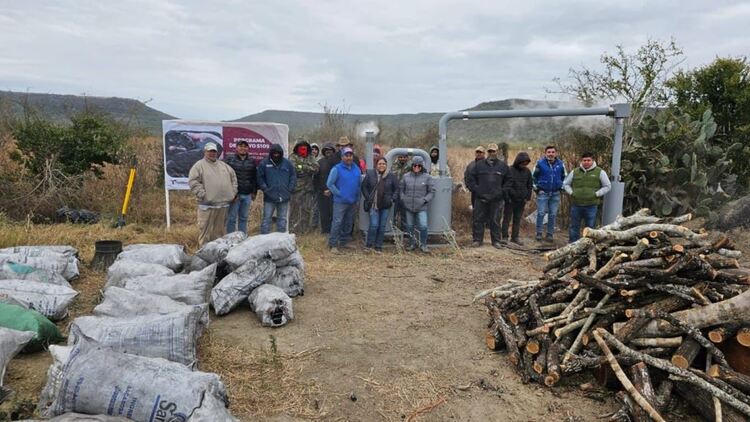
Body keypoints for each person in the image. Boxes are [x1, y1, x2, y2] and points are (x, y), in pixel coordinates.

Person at [188, 143, 237, 246]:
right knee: (205, 232)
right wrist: (203, 195)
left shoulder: (224, 166)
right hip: (206, 206)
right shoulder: (198, 165)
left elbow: (233, 179)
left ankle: (217, 253)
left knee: (219, 234)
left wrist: (232, 193)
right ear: (205, 152)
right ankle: (203, 255)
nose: (212, 153)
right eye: (210, 151)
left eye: (214, 151)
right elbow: (193, 181)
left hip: (222, 205)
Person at [466, 143, 509, 249]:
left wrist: (501, 192)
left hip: (496, 199)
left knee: (495, 220)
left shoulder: (503, 166)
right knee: (478, 219)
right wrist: (477, 190)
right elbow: (470, 179)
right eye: (489, 151)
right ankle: (477, 240)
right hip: (481, 197)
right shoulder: (479, 165)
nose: (491, 153)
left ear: (497, 152)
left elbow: (509, 181)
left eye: (493, 151)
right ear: (487, 152)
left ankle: (496, 241)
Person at [563, 152, 612, 243]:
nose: (586, 162)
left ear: (592, 160)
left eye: (588, 160)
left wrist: (596, 194)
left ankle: (588, 244)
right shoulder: (575, 171)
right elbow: (566, 184)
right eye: (584, 160)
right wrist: (572, 193)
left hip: (591, 205)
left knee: (590, 227)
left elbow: (607, 186)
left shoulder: (600, 172)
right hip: (576, 204)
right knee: (574, 226)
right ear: (581, 161)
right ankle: (573, 244)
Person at [326, 147, 362, 252]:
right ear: (342, 157)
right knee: (337, 222)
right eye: (346, 155)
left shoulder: (356, 168)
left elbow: (359, 183)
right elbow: (329, 184)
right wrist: (339, 194)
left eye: (350, 155)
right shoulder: (336, 169)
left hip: (353, 201)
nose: (349, 157)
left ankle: (344, 242)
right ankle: (333, 244)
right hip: (340, 202)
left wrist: (358, 196)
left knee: (348, 222)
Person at [361, 157, 399, 252]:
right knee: (374, 225)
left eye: (383, 164)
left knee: (382, 226)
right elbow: (364, 187)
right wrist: (368, 197)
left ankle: (378, 246)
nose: (382, 165)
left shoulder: (391, 176)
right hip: (373, 205)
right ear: (376, 165)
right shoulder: (370, 174)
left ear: (386, 165)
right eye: (380, 164)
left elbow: (397, 189)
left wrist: (392, 199)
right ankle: (369, 245)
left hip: (386, 205)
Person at [257, 144, 296, 234]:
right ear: (271, 153)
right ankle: (263, 239)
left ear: (281, 153)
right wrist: (265, 189)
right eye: (274, 153)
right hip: (269, 197)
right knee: (267, 219)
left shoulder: (287, 163)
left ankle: (281, 240)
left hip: (284, 196)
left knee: (282, 219)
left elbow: (293, 176)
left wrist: (289, 189)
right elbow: (260, 178)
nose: (276, 155)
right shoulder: (264, 163)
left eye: (278, 153)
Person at [532, 145, 567, 242]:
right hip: (543, 192)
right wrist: (537, 189)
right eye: (549, 152)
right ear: (545, 153)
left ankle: (550, 234)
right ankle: (538, 233)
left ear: (556, 153)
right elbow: (533, 177)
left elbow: (565, 177)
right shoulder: (540, 163)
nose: (551, 154)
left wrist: (562, 187)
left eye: (552, 152)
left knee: (553, 214)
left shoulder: (560, 164)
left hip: (555, 193)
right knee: (541, 212)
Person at [400, 156, 435, 252]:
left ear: (422, 166)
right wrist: (403, 199)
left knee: (423, 226)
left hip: (421, 207)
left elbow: (431, 192)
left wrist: (424, 200)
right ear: (412, 165)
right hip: (408, 206)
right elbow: (401, 190)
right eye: (414, 165)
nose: (416, 167)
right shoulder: (406, 176)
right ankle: (412, 244)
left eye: (419, 165)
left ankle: (423, 245)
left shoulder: (427, 177)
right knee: (410, 226)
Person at [223, 140, 257, 234]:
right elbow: (225, 178)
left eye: (245, 146)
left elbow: (254, 177)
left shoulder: (251, 161)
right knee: (232, 218)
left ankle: (242, 238)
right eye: (240, 146)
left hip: (247, 195)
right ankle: (230, 238)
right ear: (236, 148)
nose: (243, 148)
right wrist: (231, 194)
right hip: (235, 195)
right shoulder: (229, 160)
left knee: (244, 218)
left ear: (248, 149)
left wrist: (254, 192)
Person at [501, 152, 533, 245]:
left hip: (521, 200)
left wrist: (527, 196)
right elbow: (506, 186)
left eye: (526, 162)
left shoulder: (527, 171)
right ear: (518, 161)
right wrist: (508, 197)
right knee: (507, 218)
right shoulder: (510, 170)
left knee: (517, 219)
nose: (524, 164)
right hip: (510, 200)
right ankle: (505, 237)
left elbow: (530, 184)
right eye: (523, 162)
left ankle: (515, 237)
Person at [289, 139, 320, 233]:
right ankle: (292, 229)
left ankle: (304, 230)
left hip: (308, 188)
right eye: (301, 148)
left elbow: (316, 168)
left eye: (305, 148)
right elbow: (293, 167)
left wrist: (303, 167)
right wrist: (304, 167)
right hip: (296, 188)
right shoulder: (293, 156)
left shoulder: (311, 157)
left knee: (306, 210)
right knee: (294, 209)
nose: (303, 150)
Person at [315, 143, 337, 233]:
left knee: (334, 213)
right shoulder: (320, 162)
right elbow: (316, 178)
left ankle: (334, 230)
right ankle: (325, 231)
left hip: (334, 192)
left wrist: (332, 190)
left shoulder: (337, 162)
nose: (328, 152)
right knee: (324, 213)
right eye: (326, 150)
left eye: (330, 150)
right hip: (322, 192)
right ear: (323, 151)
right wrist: (322, 190)